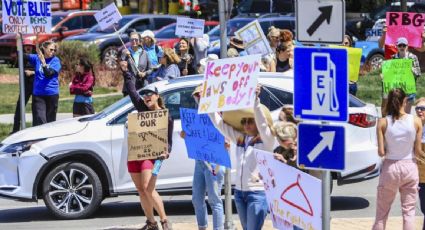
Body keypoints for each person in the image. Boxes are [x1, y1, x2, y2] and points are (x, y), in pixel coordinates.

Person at [208, 85, 274, 230]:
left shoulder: (266, 140)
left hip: (257, 193)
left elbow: (262, 123)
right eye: (243, 121)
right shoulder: (240, 139)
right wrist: (207, 104)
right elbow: (220, 125)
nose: (246, 125)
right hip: (239, 193)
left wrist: (255, 100)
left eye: (249, 121)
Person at [120, 59, 174, 230]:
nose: (147, 97)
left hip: (152, 156)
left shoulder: (166, 117)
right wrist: (126, 72)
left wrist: (166, 152)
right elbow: (131, 90)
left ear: (158, 96)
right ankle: (151, 222)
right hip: (135, 153)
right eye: (145, 95)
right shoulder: (142, 109)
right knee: (141, 190)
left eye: (150, 94)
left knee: (147, 187)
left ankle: (164, 220)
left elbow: (169, 142)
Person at [372, 88, 422, 230]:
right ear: (405, 101)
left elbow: (381, 152)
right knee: (409, 213)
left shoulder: (382, 122)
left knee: (381, 214)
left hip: (390, 167)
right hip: (410, 167)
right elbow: (418, 151)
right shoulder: (416, 121)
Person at [184, 85, 225, 230]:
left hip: (214, 161)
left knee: (214, 199)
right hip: (200, 161)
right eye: (196, 95)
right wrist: (187, 135)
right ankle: (202, 226)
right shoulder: (197, 115)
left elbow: (222, 131)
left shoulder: (217, 112)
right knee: (196, 199)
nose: (198, 98)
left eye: (201, 95)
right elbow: (195, 136)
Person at [381, 37, 421, 116]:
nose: (402, 47)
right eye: (400, 45)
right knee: (396, 113)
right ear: (397, 46)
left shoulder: (412, 57)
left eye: (404, 45)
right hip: (397, 91)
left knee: (406, 115)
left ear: (407, 46)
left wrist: (412, 70)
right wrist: (385, 76)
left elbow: (418, 73)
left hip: (409, 89)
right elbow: (390, 74)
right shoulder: (393, 58)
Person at [26, 40, 61, 126]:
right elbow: (22, 56)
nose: (53, 52)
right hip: (38, 95)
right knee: (40, 120)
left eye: (54, 50)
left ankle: (50, 138)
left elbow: (48, 74)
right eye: (51, 49)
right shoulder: (37, 58)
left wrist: (44, 63)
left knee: (51, 121)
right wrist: (18, 42)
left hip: (52, 94)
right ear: (44, 49)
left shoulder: (55, 61)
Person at [11, 39, 35, 134]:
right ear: (23, 47)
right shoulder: (21, 57)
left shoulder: (36, 57)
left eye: (30, 46)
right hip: (25, 87)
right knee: (19, 109)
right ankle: (15, 130)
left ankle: (36, 130)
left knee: (36, 109)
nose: (28, 47)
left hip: (35, 86)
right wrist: (18, 40)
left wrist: (32, 72)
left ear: (32, 47)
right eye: (26, 46)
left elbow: (42, 71)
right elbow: (18, 53)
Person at [121, 31, 152, 96]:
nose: (134, 41)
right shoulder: (125, 52)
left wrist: (144, 73)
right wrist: (125, 57)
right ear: (129, 41)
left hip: (142, 85)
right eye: (132, 40)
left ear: (140, 40)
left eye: (136, 39)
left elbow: (150, 69)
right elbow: (121, 68)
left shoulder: (145, 53)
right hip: (130, 86)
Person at [414, 97, 425, 230]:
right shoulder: (414, 127)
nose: (420, 111)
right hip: (419, 176)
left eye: (423, 109)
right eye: (418, 109)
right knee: (423, 207)